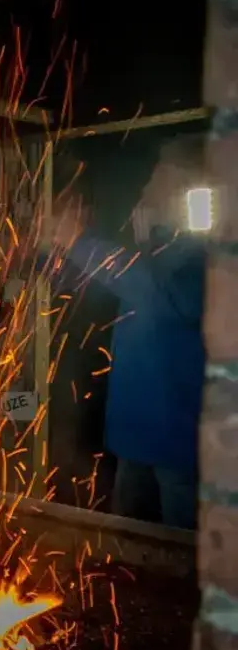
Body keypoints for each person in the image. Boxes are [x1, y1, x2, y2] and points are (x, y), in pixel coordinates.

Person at [49, 138, 206, 530]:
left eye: (158, 175)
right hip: (134, 435)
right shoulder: (159, 251)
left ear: (183, 185)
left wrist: (80, 242)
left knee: (178, 550)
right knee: (125, 547)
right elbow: (117, 280)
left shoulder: (206, 254)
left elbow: (151, 290)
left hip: (177, 442)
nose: (147, 187)